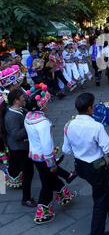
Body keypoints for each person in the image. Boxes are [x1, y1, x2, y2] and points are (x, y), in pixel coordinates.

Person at [62, 93, 109, 235]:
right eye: (93, 106)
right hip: (96, 166)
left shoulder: (68, 124)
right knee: (99, 198)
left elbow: (66, 149)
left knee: (101, 187)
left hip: (80, 166)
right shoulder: (96, 126)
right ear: (89, 108)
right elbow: (108, 148)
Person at [24, 83, 76, 224]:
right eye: (46, 102)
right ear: (40, 105)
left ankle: (64, 195)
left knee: (49, 178)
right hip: (44, 157)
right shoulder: (43, 123)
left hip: (34, 155)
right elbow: (46, 146)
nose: (48, 104)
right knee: (46, 184)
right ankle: (43, 211)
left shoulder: (28, 117)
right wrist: (51, 162)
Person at [3, 89, 35, 205]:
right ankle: (26, 199)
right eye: (22, 97)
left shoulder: (20, 110)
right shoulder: (11, 116)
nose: (24, 98)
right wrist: (30, 125)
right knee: (28, 172)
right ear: (16, 101)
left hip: (22, 147)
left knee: (26, 170)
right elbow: (16, 135)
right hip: (19, 149)